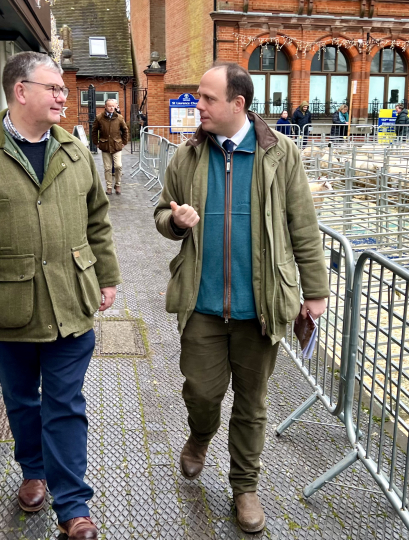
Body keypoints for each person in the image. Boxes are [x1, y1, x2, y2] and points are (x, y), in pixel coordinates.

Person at [0, 51, 122, 540]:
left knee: (65, 404)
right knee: (21, 401)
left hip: (70, 303)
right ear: (22, 91)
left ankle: (73, 507)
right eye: (54, 88)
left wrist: (107, 276)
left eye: (63, 89)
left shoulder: (76, 150)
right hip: (7, 308)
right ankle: (33, 470)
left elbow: (98, 220)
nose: (64, 96)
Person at [154, 62, 329, 534]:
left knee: (252, 404)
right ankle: (199, 435)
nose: (198, 106)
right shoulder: (187, 156)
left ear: (238, 104)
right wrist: (175, 222)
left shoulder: (281, 154)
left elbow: (304, 229)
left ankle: (244, 487)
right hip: (202, 305)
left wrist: (315, 292)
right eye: (197, 97)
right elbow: (160, 211)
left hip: (261, 307)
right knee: (202, 392)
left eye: (208, 99)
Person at [91, 98, 130, 195]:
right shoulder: (99, 117)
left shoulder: (119, 118)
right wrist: (96, 142)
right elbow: (94, 131)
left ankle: (118, 184)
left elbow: (125, 130)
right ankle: (109, 187)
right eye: (109, 106)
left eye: (113, 106)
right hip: (105, 145)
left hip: (117, 145)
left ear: (116, 106)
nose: (112, 108)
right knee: (107, 168)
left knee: (118, 166)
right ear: (105, 106)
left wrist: (124, 141)